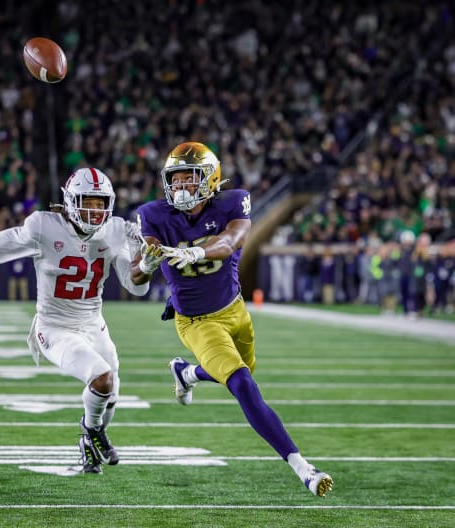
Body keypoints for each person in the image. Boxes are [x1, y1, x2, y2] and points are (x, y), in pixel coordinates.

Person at [130, 141, 333, 497]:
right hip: (196, 321)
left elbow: (233, 240)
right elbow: (136, 275)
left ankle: (187, 373)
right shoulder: (154, 214)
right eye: (174, 180)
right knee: (242, 384)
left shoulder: (232, 201)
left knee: (241, 372)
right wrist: (145, 263)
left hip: (236, 311)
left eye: (189, 180)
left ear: (210, 180)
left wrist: (196, 251)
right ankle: (303, 468)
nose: (180, 188)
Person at [0, 167, 148, 474]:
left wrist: (144, 259)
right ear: (72, 201)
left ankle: (92, 433)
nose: (95, 210)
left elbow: (136, 287)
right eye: (88, 201)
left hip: (94, 324)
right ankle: (90, 433)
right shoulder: (44, 227)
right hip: (55, 327)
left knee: (111, 393)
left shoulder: (114, 230)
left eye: (101, 203)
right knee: (101, 379)